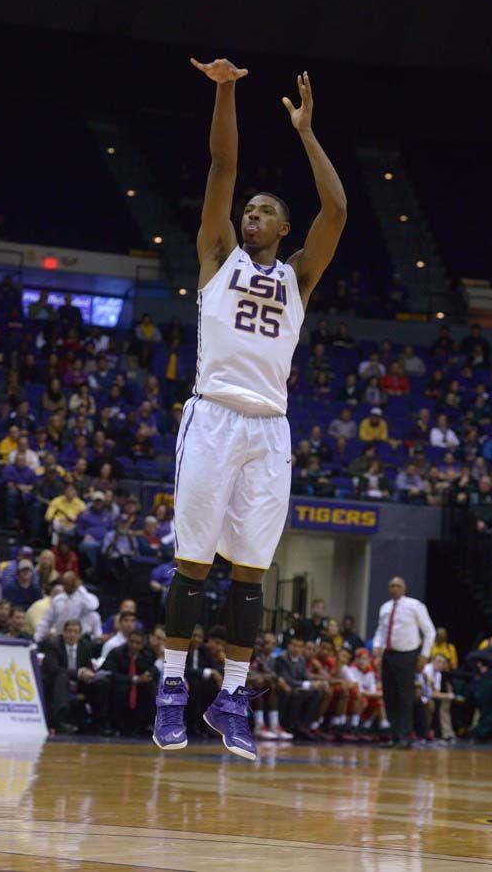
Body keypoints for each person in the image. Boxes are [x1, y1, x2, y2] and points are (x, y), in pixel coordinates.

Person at [153, 59, 347, 761]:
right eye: (249, 211)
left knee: (251, 576)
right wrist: (227, 90)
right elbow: (221, 167)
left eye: (264, 211)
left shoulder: (299, 275)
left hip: (270, 428)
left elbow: (338, 212)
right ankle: (172, 690)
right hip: (212, 416)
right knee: (193, 567)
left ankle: (230, 698)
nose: (250, 215)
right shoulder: (217, 255)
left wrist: (306, 132)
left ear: (284, 227)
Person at [372, 576, 436, 749]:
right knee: (389, 695)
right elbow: (380, 630)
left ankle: (405, 737)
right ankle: (394, 736)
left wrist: (424, 655)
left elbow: (430, 632)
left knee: (405, 697)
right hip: (388, 655)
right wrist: (377, 646)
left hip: (407, 655)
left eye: (398, 586)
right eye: (391, 586)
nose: (394, 589)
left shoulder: (415, 606)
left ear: (404, 588)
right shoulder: (385, 607)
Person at [41, 619, 110, 735]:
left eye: (75, 632)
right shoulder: (53, 645)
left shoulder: (85, 646)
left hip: (79, 682)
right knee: (62, 677)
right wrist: (78, 673)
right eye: (69, 631)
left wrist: (89, 673)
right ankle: (59, 722)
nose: (72, 634)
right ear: (63, 632)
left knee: (102, 683)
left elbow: (87, 666)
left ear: (80, 634)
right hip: (57, 682)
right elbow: (53, 668)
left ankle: (100, 723)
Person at [102, 629, 158, 735]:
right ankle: (113, 723)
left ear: (142, 644)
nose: (134, 645)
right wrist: (134, 679)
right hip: (119, 685)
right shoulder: (116, 652)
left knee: (151, 687)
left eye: (138, 643)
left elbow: (154, 670)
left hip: (139, 687)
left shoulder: (147, 654)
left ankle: (147, 723)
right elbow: (110, 674)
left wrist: (148, 675)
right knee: (119, 688)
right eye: (131, 642)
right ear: (127, 641)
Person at [33, 571, 99, 643]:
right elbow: (47, 620)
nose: (66, 586)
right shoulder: (58, 599)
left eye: (69, 584)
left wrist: (80, 588)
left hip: (80, 639)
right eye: (65, 584)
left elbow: (92, 606)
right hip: (61, 638)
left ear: (75, 583)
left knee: (94, 615)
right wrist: (38, 637)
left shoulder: (84, 598)